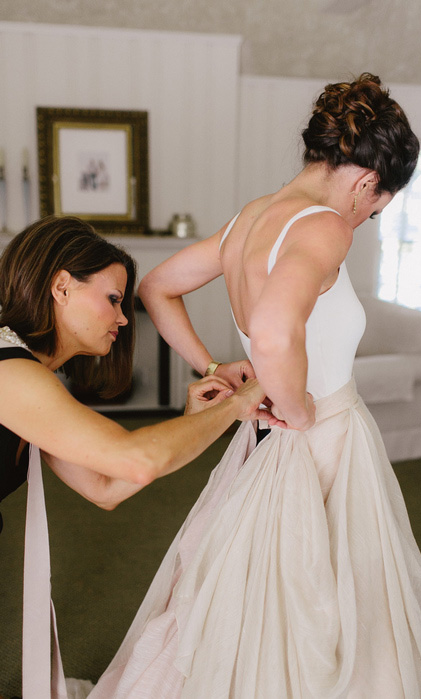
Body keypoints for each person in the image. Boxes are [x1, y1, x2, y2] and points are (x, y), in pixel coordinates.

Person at [86, 74, 421, 698]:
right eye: (375, 209)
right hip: (320, 434)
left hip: (269, 439)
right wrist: (300, 410)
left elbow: (156, 288)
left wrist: (213, 368)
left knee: (269, 592)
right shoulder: (325, 226)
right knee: (333, 600)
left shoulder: (249, 219)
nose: (364, 221)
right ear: (365, 182)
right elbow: (276, 334)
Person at [0, 215, 269, 698]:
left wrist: (193, 419)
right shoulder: (9, 373)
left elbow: (105, 489)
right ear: (61, 287)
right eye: (114, 299)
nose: (124, 319)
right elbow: (133, 460)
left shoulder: (26, 374)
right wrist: (236, 406)